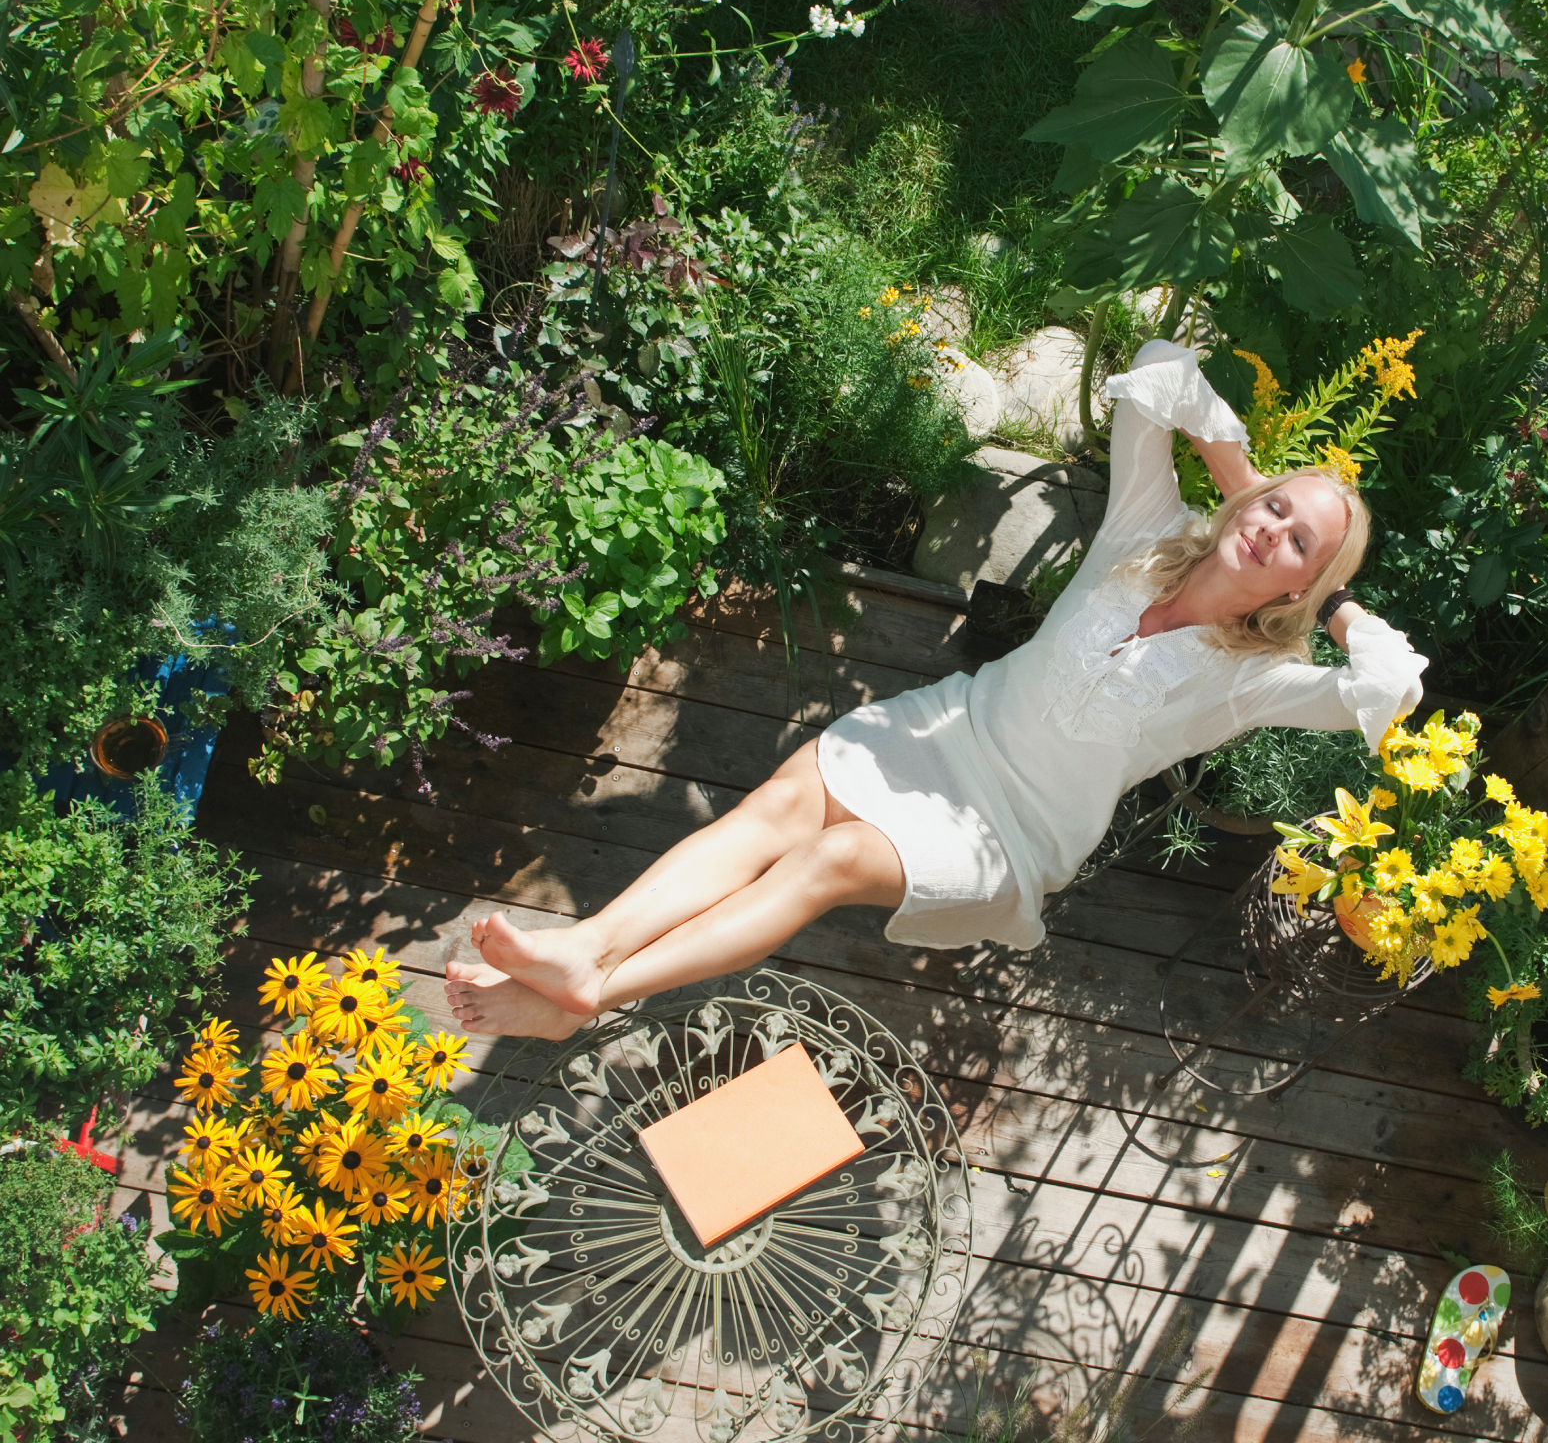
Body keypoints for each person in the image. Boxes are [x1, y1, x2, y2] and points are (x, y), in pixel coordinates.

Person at [444, 340, 1428, 1038]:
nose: (1269, 529)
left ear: (1302, 582)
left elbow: (1392, 686)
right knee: (772, 809)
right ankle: (588, 952)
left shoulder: (1254, 679)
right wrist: (1245, 475)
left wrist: (1333, 599)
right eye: (1273, 509)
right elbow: (1162, 369)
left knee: (824, 859)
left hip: (1008, 834)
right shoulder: (1143, 525)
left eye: (1296, 541)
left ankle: (594, 991)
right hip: (947, 729)